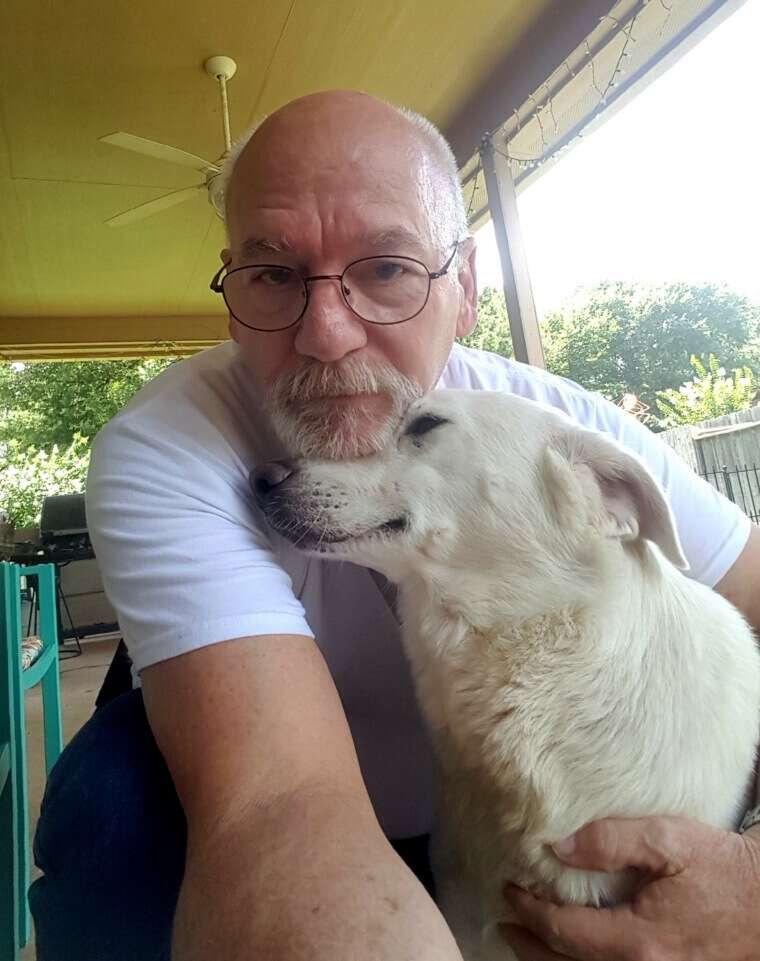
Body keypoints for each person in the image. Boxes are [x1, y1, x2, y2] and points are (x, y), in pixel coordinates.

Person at [30, 90, 760, 961]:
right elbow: (278, 810)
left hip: (495, 822)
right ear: (232, 296)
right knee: (113, 802)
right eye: (274, 274)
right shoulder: (170, 446)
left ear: (464, 289)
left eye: (386, 268)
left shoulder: (555, 436)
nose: (328, 335)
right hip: (318, 821)